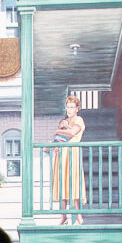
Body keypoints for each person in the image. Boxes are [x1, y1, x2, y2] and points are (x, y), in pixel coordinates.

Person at [51, 95, 87, 225]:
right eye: (68, 107)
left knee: (73, 183)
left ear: (77, 108)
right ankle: (63, 216)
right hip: (61, 154)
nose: (69, 109)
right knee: (62, 184)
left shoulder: (79, 119)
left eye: (72, 107)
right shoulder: (64, 121)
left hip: (72, 154)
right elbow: (57, 137)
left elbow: (72, 132)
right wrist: (60, 130)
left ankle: (78, 216)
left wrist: (61, 129)